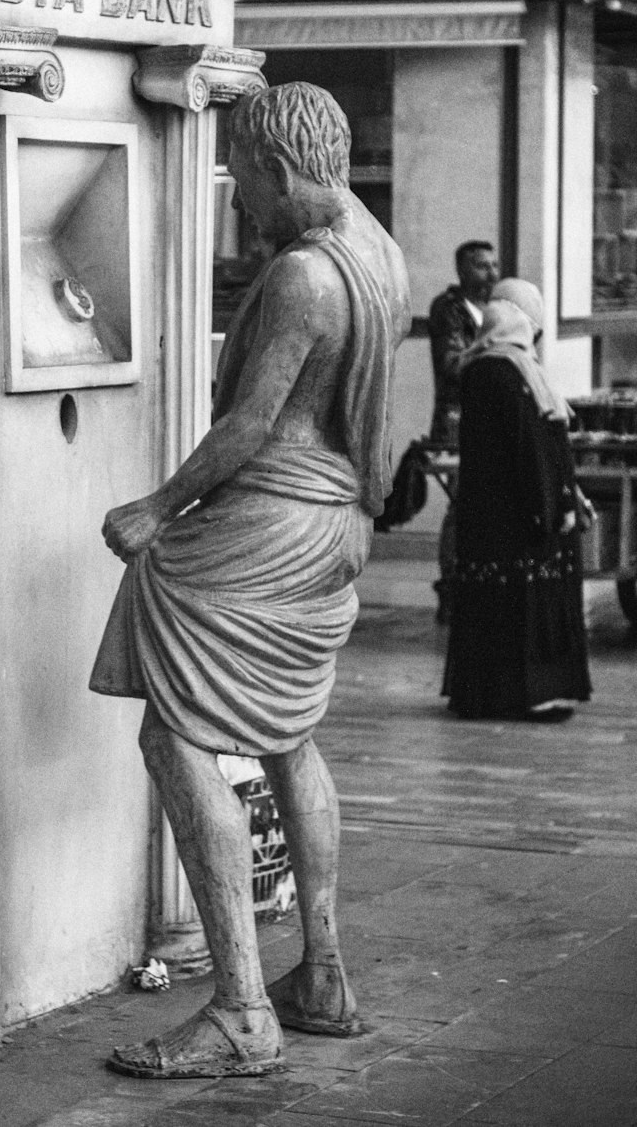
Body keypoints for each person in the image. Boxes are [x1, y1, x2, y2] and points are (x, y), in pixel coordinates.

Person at [90, 82, 410, 1078]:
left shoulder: (303, 277)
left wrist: (158, 507)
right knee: (290, 734)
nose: (236, 203)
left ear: (275, 170)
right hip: (337, 527)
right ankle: (320, 970)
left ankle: (238, 1010)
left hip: (266, 526)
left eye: (241, 179)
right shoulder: (379, 248)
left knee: (173, 732)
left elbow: (248, 425)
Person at [442, 277, 593, 723]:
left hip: (511, 510)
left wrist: (567, 493)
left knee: (518, 601)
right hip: (513, 515)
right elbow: (526, 449)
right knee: (519, 602)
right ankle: (522, 695)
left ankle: (516, 692)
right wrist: (551, 504)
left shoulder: (509, 369)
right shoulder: (498, 371)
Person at [427, 241, 501, 624]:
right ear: (461, 271)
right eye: (481, 266)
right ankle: (451, 588)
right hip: (456, 424)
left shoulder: (497, 310)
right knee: (461, 507)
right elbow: (453, 363)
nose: (490, 273)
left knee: (484, 508)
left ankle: (477, 587)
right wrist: (497, 348)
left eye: (494, 265)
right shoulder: (448, 309)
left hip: (489, 422)